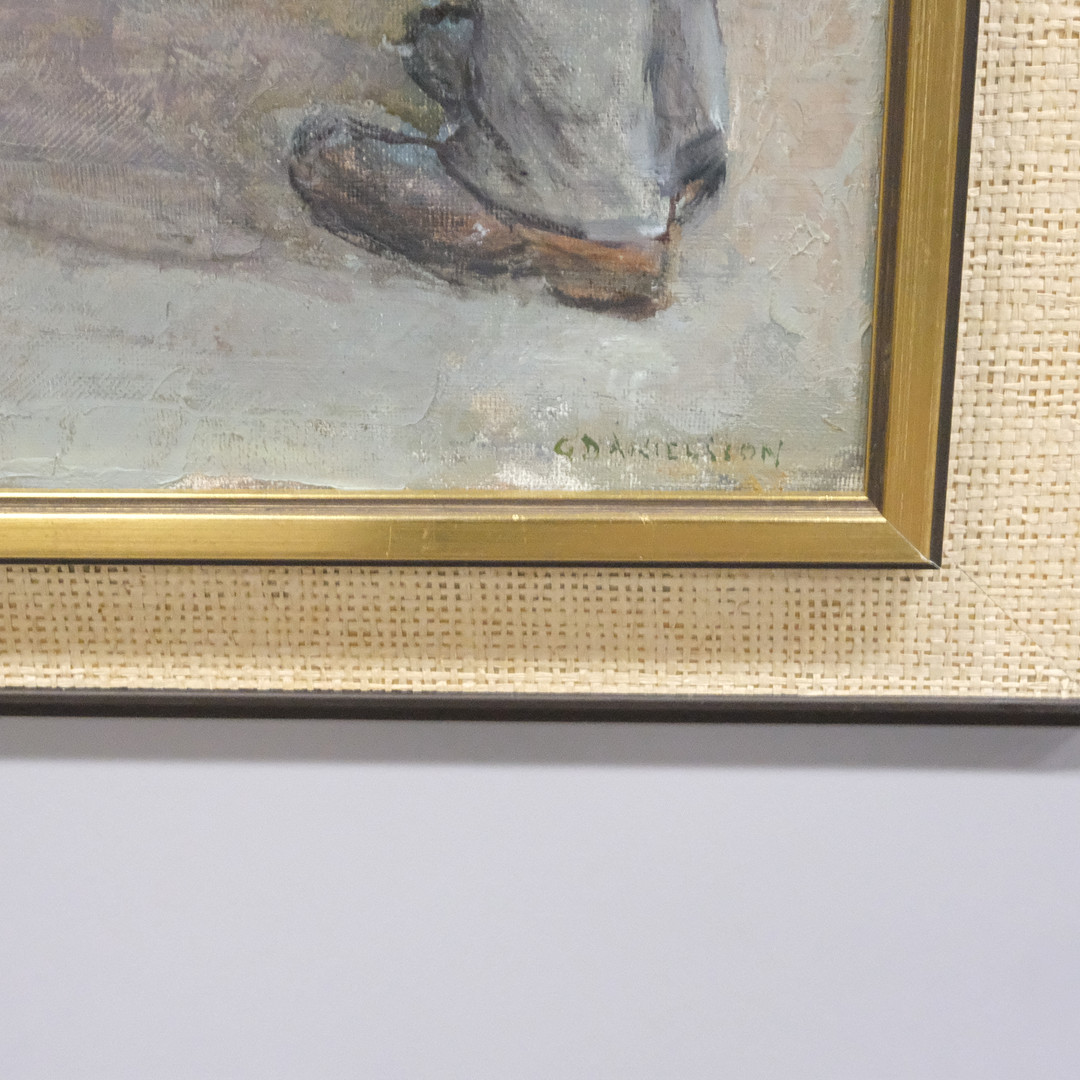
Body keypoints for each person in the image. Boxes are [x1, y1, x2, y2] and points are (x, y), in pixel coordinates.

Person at [289, 0, 728, 316]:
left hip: (576, 191)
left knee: (319, 153)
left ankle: (576, 221)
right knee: (438, 43)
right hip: (677, 148)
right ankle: (666, 161)